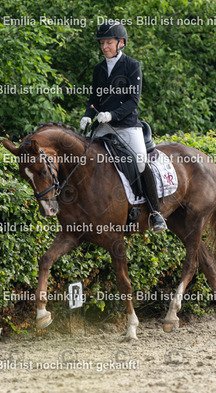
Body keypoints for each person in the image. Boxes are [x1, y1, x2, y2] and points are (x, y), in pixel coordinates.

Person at [79, 20, 167, 233]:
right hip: (103, 126)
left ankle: (155, 213)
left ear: (121, 43)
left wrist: (112, 114)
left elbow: (133, 101)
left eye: (108, 42)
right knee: (84, 157)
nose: (104, 47)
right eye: (102, 43)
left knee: (140, 162)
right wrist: (88, 115)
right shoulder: (99, 69)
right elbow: (94, 99)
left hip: (127, 125)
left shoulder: (132, 65)